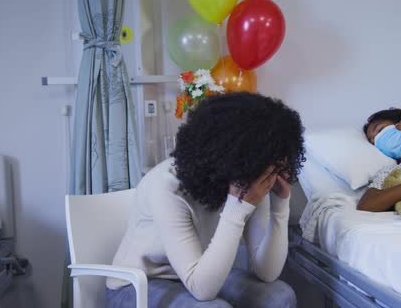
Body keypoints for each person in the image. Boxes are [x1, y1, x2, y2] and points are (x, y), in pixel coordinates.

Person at [106, 92, 305, 308]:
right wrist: (238, 207)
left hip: (200, 273)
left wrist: (280, 204)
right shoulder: (167, 185)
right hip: (139, 285)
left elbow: (266, 272)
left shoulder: (252, 175)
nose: (272, 169)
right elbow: (202, 290)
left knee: (279, 297)